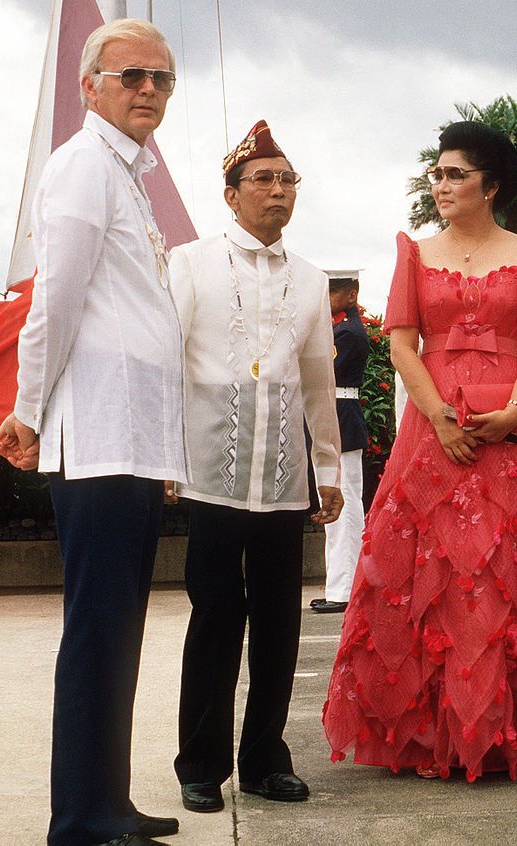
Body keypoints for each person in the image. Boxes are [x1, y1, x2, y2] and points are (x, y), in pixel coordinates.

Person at [323, 121, 517, 783]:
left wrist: (516, 409)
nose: (441, 184)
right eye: (436, 173)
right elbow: (402, 343)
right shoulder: (415, 252)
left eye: (455, 173)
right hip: (434, 431)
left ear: (490, 184)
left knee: (514, 568)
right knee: (426, 569)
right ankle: (428, 730)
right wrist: (438, 417)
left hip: (513, 429)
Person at [0, 19, 183, 846]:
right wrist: (29, 409)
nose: (148, 90)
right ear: (90, 87)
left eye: (162, 79)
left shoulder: (127, 175)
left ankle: (111, 800)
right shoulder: (80, 168)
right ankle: (80, 817)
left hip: (132, 438)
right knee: (99, 627)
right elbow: (55, 300)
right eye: (131, 75)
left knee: (122, 628)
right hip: (98, 436)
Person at [170, 120, 342, 814]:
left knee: (279, 620)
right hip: (210, 470)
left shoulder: (309, 279)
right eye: (263, 180)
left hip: (280, 477)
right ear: (231, 194)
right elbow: (164, 362)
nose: (278, 191)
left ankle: (266, 758)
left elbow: (318, 381)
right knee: (215, 615)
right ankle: (200, 764)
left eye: (287, 180)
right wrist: (160, 456)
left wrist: (326, 466)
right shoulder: (189, 263)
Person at [310, 273, 371, 614]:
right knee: (336, 501)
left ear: (351, 293)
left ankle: (346, 589)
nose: (328, 296)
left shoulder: (347, 332)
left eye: (334, 291)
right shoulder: (338, 328)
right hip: (336, 414)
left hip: (341, 416)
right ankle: (340, 584)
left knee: (344, 504)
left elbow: (319, 371)